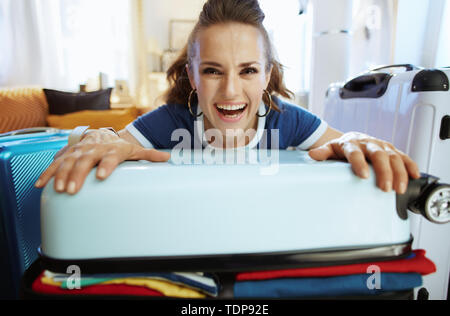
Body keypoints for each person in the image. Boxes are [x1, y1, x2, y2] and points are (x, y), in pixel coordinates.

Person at [35, 0, 420, 195]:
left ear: (267, 74)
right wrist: (100, 137)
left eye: (248, 70)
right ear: (192, 75)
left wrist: (354, 139)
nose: (231, 92)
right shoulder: (171, 120)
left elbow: (340, 140)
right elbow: (113, 143)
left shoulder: (288, 119)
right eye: (213, 71)